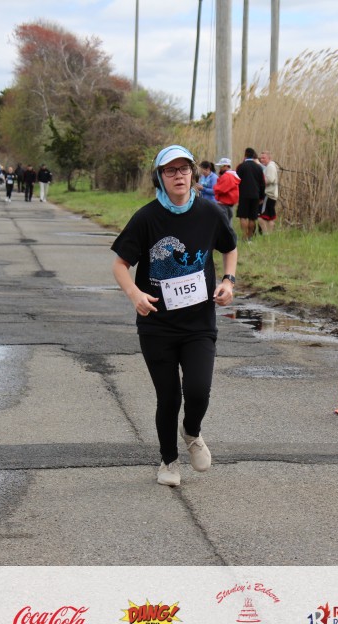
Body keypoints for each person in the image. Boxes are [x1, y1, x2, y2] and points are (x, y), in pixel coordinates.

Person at [111, 145, 238, 487]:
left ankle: (192, 432)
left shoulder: (210, 213)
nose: (179, 176)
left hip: (199, 325)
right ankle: (168, 461)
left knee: (198, 390)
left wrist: (228, 281)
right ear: (160, 177)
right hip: (157, 325)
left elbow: (229, 247)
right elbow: (120, 264)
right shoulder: (147, 218)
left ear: (193, 173)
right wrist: (135, 294)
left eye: (184, 169)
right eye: (170, 170)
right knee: (168, 397)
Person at [235, 147, 266, 241]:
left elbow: (236, 181)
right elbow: (262, 183)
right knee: (252, 217)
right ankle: (250, 237)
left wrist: (236, 194)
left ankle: (244, 236)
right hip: (255, 195)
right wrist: (261, 197)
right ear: (253, 156)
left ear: (245, 155)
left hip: (243, 195)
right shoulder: (259, 167)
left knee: (243, 216)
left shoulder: (241, 167)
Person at [258, 150, 280, 233]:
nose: (262, 160)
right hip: (273, 195)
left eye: (264, 158)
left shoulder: (270, 166)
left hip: (268, 194)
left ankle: (265, 234)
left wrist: (259, 182)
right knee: (270, 217)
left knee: (260, 216)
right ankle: (270, 235)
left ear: (269, 158)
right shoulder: (271, 166)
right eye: (261, 158)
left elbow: (270, 179)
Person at [213, 157, 240, 224]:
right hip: (228, 203)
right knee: (227, 223)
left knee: (224, 224)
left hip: (224, 203)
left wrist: (215, 187)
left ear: (226, 166)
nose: (220, 168)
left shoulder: (227, 176)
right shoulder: (232, 175)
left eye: (221, 166)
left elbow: (220, 189)